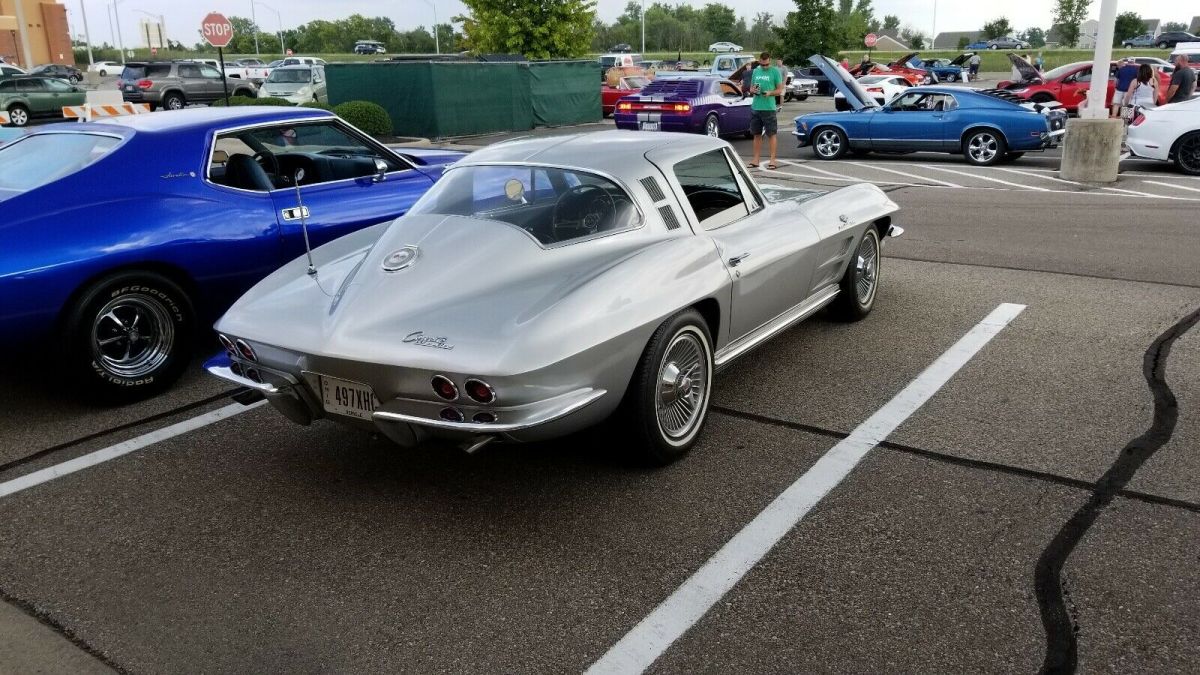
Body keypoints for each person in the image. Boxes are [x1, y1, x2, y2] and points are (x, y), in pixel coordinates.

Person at [747, 51, 784, 170]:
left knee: (771, 134)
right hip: (756, 107)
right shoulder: (756, 71)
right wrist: (753, 90)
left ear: (770, 61)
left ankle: (772, 160)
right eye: (763, 65)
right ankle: (756, 159)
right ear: (759, 61)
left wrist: (770, 93)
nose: (765, 67)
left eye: (767, 64)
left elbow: (779, 90)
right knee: (756, 134)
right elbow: (752, 87)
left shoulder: (775, 71)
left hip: (769, 108)